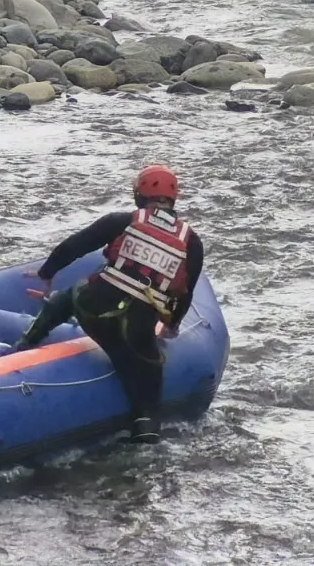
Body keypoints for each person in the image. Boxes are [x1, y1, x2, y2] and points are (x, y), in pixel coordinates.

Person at [13, 165, 204, 446]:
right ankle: (145, 436)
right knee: (149, 391)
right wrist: (171, 326)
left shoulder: (123, 220)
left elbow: (75, 246)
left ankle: (25, 344)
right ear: (172, 199)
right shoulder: (192, 243)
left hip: (95, 311)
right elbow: (184, 294)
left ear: (140, 194)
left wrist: (46, 272)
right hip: (137, 329)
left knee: (69, 296)